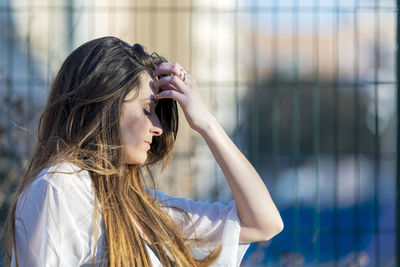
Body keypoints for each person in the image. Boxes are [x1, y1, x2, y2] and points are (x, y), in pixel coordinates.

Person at [3, 36, 283, 266]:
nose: (158, 127)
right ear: (105, 106)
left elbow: (263, 223)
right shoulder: (58, 188)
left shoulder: (147, 209)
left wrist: (206, 123)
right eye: (148, 110)